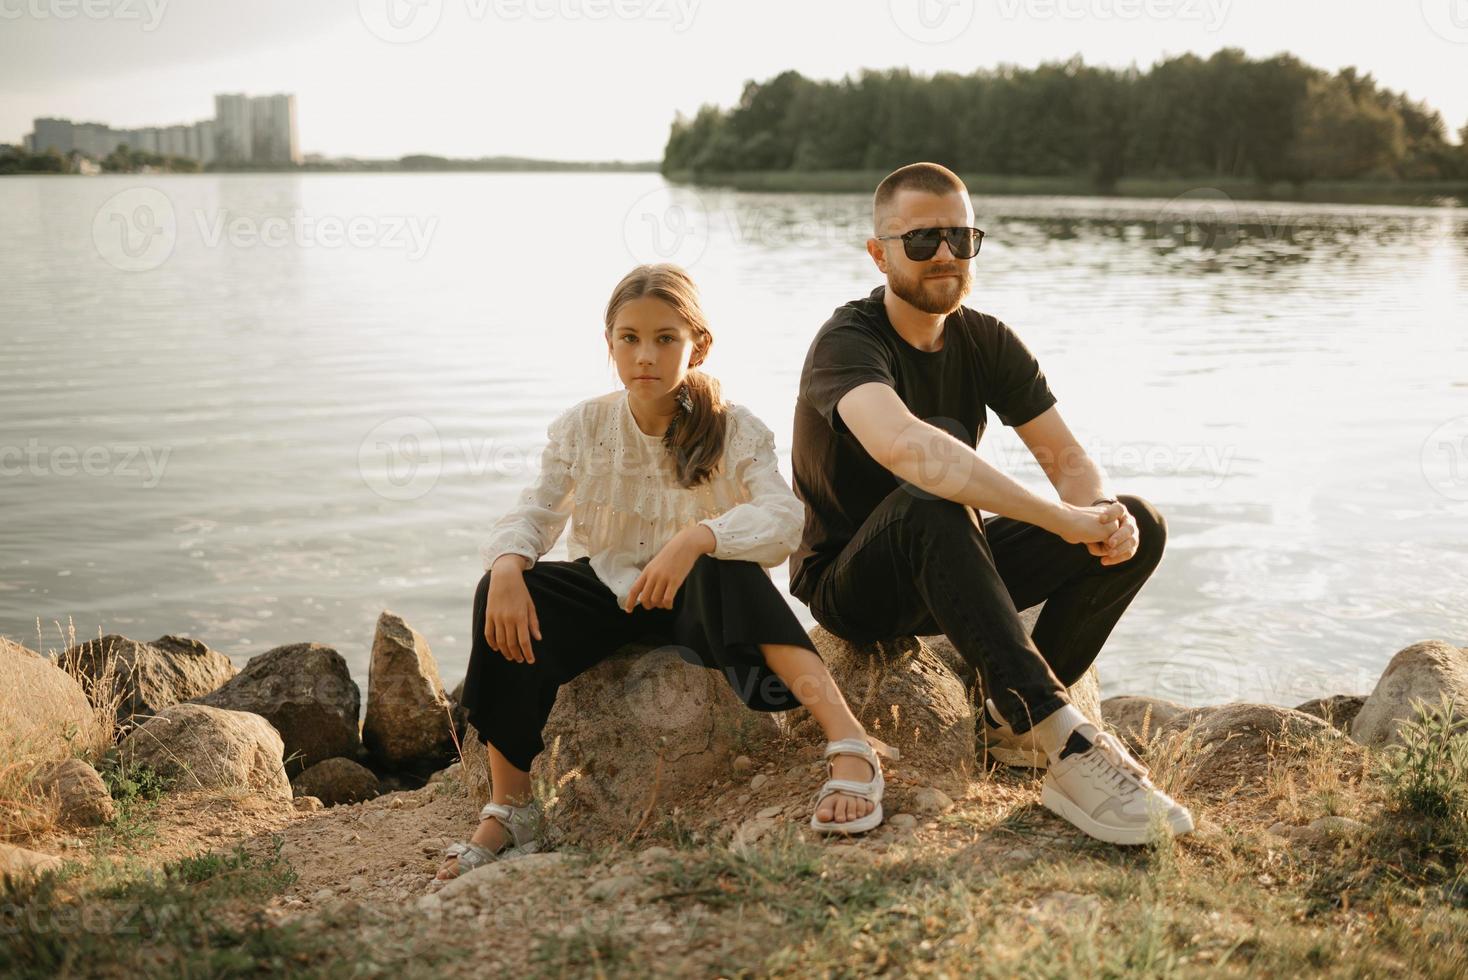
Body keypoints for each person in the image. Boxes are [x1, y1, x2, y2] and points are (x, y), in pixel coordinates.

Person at [786, 162, 1193, 846]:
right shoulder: (846, 343)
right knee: (935, 483)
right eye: (921, 241)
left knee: (1139, 521)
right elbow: (910, 450)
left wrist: (1096, 513)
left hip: (952, 561)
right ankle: (1062, 738)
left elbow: (1064, 457)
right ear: (878, 252)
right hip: (856, 586)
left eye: (960, 237)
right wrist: (1059, 519)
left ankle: (1016, 729)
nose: (944, 254)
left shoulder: (987, 339)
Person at [437, 264, 885, 881]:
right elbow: (535, 511)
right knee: (503, 587)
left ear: (697, 345)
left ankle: (851, 746)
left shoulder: (735, 428)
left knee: (730, 566)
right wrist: (509, 565)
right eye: (630, 338)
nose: (645, 354)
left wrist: (696, 538)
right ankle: (511, 808)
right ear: (610, 343)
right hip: (608, 592)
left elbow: (784, 520)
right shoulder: (584, 425)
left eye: (665, 338)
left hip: (697, 604)